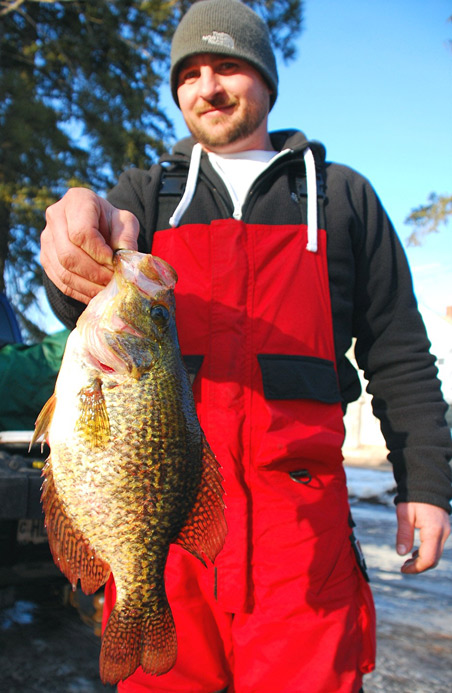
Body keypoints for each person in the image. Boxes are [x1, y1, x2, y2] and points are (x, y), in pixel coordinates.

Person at [40, 1, 452, 691]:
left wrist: (429, 485)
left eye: (228, 65)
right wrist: (75, 235)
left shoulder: (342, 198)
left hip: (304, 540)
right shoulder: (144, 194)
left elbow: (400, 351)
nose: (209, 85)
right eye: (191, 72)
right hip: (165, 528)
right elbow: (77, 295)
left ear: (265, 80)